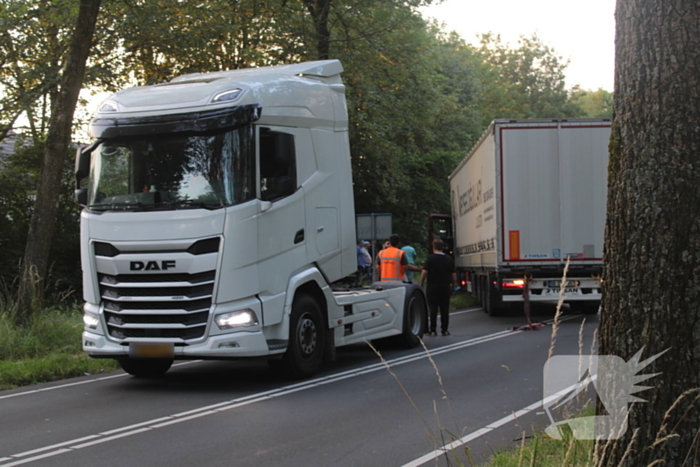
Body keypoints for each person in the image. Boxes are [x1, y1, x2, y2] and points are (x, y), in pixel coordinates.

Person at [420, 239, 457, 336]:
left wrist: (421, 284)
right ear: (443, 248)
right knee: (445, 309)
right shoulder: (449, 259)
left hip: (432, 288)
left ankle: (432, 330)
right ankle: (444, 330)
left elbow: (424, 272)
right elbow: (453, 275)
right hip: (445, 287)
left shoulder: (430, 258)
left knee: (433, 309)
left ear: (433, 248)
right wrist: (453, 287)